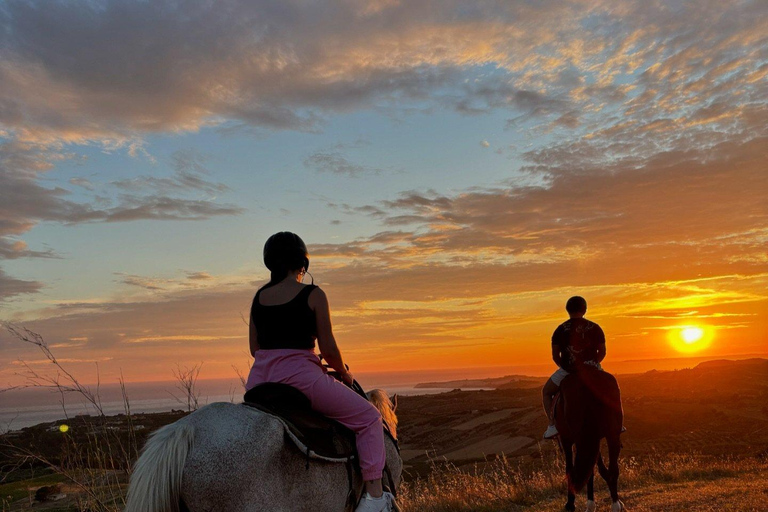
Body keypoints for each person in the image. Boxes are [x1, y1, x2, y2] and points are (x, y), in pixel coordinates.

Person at [245, 232, 396, 512]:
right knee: (369, 417)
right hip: (301, 381)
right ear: (303, 262)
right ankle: (375, 498)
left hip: (259, 382)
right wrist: (344, 373)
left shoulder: (258, 298)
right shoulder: (313, 294)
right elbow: (328, 349)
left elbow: (255, 349)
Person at [542, 296, 606, 439]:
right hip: (593, 369)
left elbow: (555, 356)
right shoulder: (595, 328)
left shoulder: (559, 330)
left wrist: (565, 367)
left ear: (567, 310)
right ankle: (617, 423)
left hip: (568, 370)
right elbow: (602, 352)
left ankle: (552, 425)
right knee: (612, 387)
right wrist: (594, 365)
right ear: (585, 310)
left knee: (546, 392)